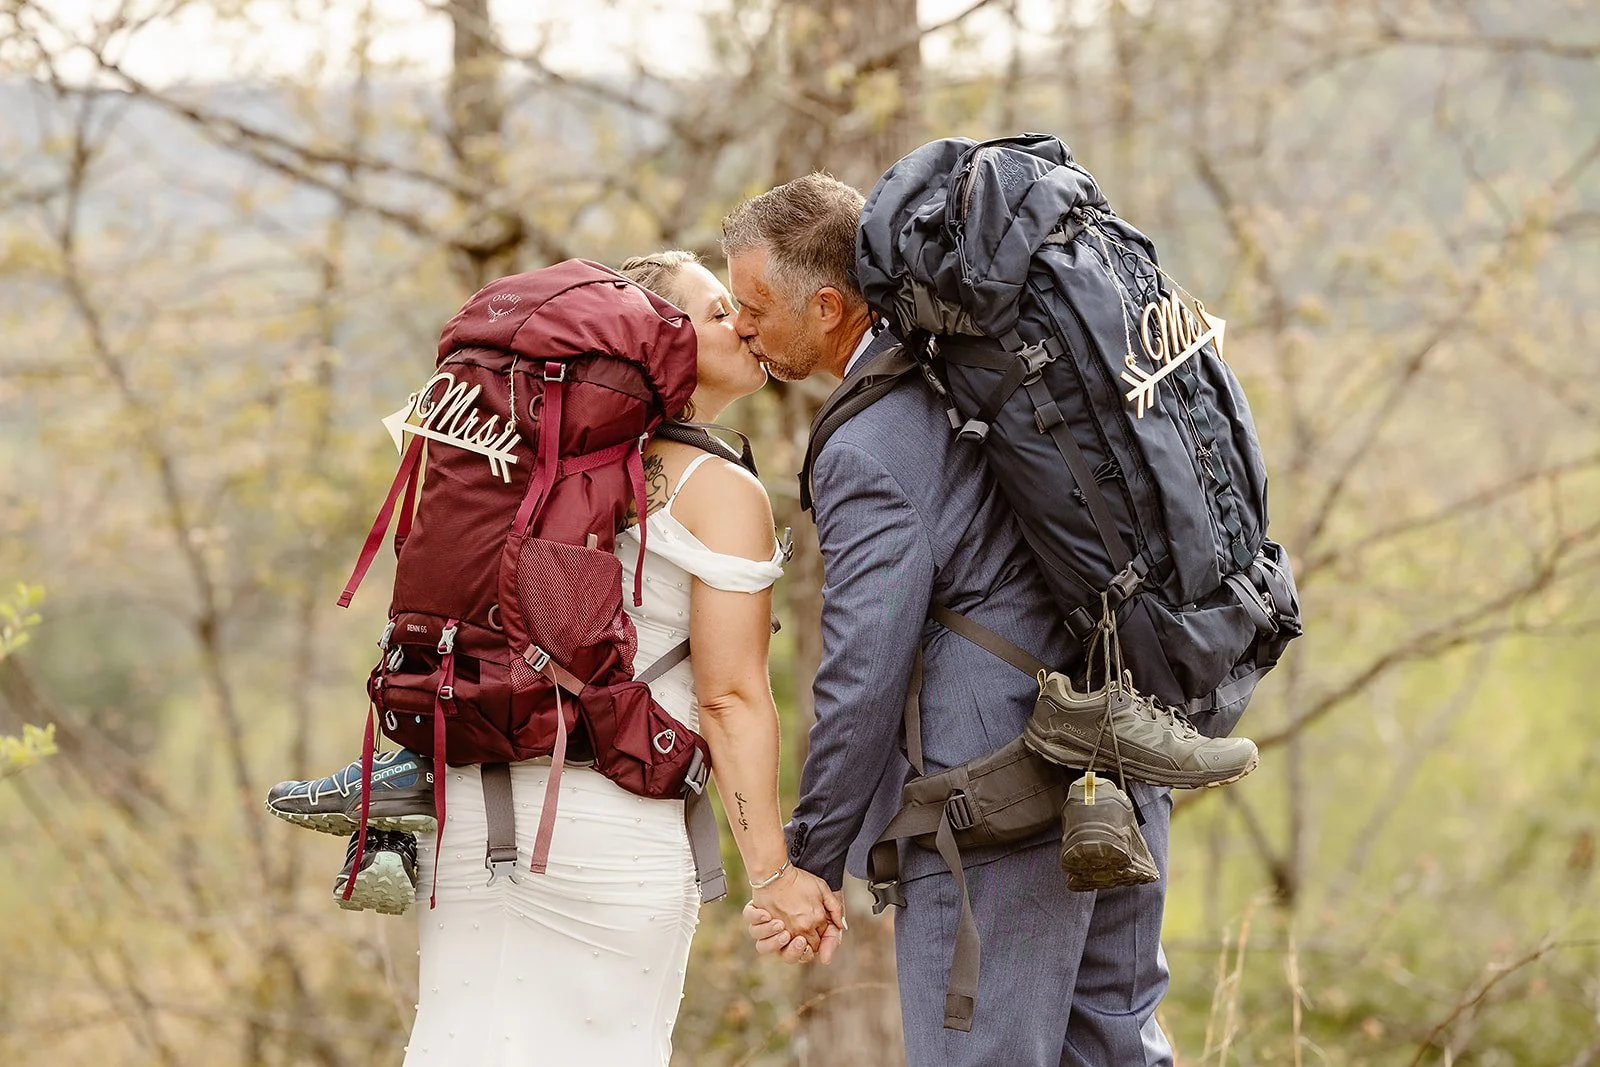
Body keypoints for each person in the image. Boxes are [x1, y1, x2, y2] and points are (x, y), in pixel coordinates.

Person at [265, 251, 841, 1065]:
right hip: (614, 833)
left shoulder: (513, 461)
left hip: (467, 821)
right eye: (716, 314)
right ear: (653, 341)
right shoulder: (719, 489)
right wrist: (774, 874)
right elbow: (730, 697)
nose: (743, 325)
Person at [725, 174, 1177, 1066]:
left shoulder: (868, 447)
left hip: (992, 812)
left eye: (752, 308)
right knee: (1117, 1052)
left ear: (825, 306)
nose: (741, 328)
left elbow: (863, 669)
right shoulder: (980, 372)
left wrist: (810, 857)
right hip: (1115, 772)